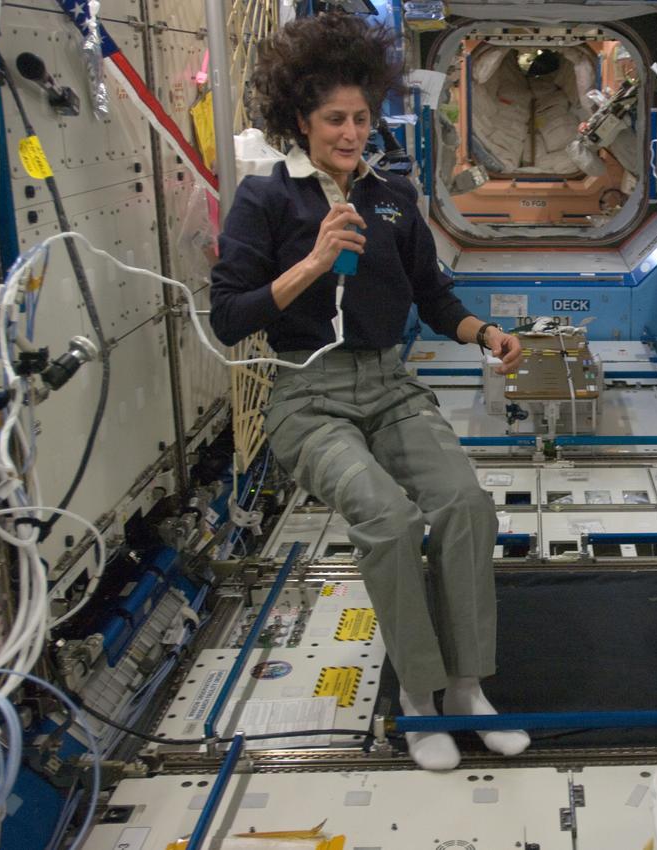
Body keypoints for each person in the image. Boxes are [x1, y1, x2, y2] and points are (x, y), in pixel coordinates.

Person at [209, 12, 526, 770]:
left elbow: (433, 294)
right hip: (306, 395)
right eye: (334, 120)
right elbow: (228, 317)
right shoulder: (267, 201)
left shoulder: (392, 196)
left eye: (361, 117)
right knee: (384, 515)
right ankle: (418, 698)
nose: (352, 133)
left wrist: (483, 334)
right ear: (300, 121)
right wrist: (312, 264)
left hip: (389, 385)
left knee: (463, 501)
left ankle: (466, 686)